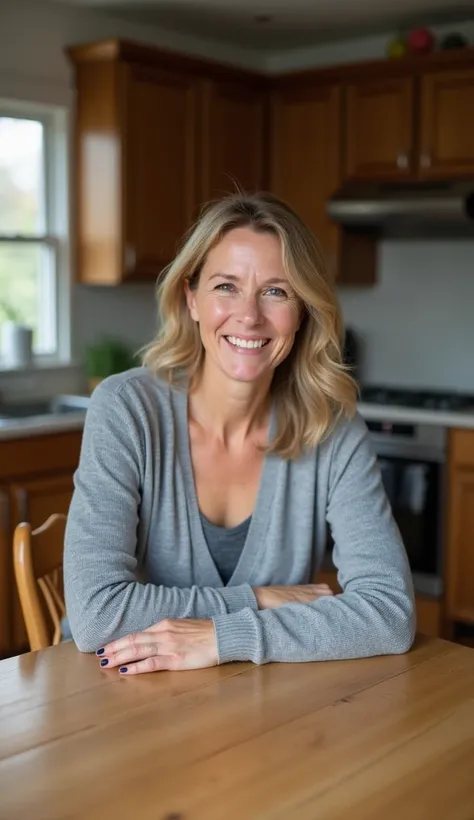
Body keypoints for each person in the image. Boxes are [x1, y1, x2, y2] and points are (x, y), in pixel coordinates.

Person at [64, 192, 415, 675]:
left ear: (304, 310)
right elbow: (97, 614)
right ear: (191, 298)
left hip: (255, 704)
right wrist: (260, 599)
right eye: (226, 286)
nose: (249, 316)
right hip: (112, 693)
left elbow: (390, 614)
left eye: (276, 291)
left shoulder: (332, 430)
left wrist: (223, 636)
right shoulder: (126, 409)